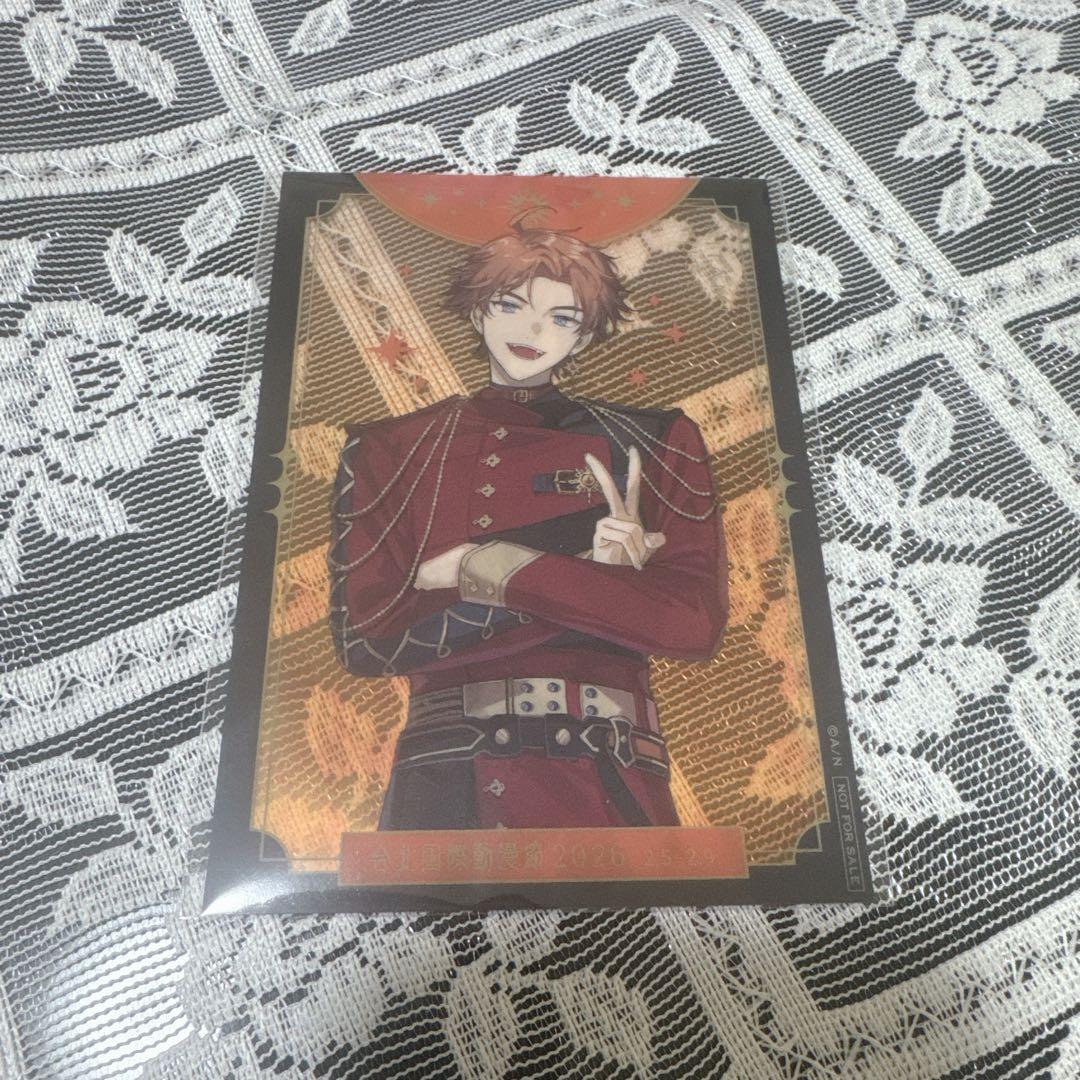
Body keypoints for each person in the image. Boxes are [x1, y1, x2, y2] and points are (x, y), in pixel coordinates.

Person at [329, 218, 728, 830]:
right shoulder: (391, 448)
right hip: (446, 781)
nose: (533, 332)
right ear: (477, 311)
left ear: (586, 332)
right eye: (511, 306)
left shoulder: (654, 440)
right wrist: (600, 586)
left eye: (562, 317)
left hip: (610, 774)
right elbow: (366, 642)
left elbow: (695, 625)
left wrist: (485, 568)